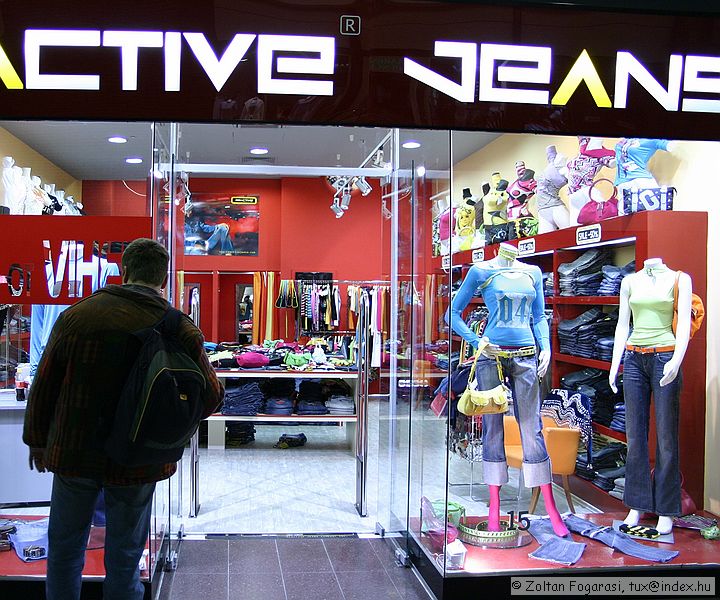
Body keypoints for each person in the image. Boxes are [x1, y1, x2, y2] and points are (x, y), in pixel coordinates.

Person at [23, 238, 224, 600]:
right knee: (126, 559)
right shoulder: (177, 327)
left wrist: (37, 441)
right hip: (138, 458)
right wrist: (170, 432)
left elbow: (45, 384)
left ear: (125, 270)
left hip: (74, 451)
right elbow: (211, 395)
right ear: (164, 278)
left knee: (65, 551)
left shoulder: (78, 316)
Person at [446, 242, 568, 537]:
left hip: (526, 355)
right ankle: (494, 505)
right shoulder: (481, 271)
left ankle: (550, 507)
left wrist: (546, 348)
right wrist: (476, 342)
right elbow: (452, 313)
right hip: (491, 356)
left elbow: (539, 316)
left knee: (532, 427)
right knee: (492, 427)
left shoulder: (532, 272)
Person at [609, 257, 691, 534]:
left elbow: (683, 325)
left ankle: (666, 509)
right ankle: (637, 504)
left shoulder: (679, 279)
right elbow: (623, 324)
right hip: (634, 358)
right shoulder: (630, 281)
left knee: (666, 437)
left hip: (664, 356)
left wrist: (676, 360)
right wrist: (614, 365)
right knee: (635, 436)